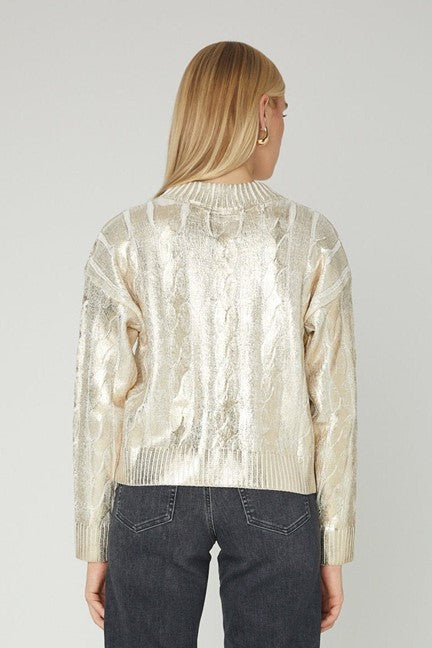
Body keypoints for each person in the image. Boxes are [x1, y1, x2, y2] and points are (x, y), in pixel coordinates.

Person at [72, 40, 358, 647]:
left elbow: (100, 402)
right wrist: (332, 544)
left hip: (151, 494)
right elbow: (333, 406)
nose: (284, 124)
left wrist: (94, 539)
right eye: (283, 108)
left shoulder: (126, 237)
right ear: (261, 113)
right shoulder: (312, 238)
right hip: (280, 498)